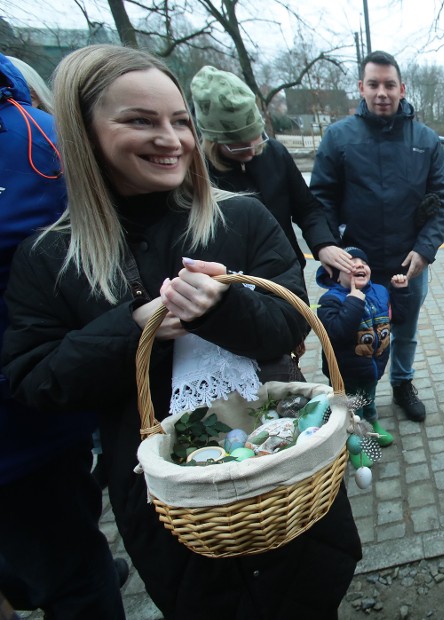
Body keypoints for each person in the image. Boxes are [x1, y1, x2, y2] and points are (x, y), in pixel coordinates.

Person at [1, 44, 361, 618]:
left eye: (179, 121)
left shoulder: (241, 218)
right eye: (140, 121)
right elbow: (34, 380)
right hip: (172, 513)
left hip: (285, 484)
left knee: (310, 595)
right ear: (84, 132)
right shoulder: (51, 259)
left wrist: (223, 307)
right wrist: (133, 329)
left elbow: (288, 324)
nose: (170, 139)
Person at [0, 51, 128, 618]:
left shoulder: (33, 133)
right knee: (71, 574)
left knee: (66, 561)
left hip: (41, 430)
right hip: (33, 424)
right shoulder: (42, 145)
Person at [310, 50, 444, 423]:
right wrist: (326, 246)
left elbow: (442, 199)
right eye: (373, 84)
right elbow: (320, 198)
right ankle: (361, 404)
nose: (382, 92)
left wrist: (425, 250)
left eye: (390, 85)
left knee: (404, 331)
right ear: (361, 87)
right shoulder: (339, 137)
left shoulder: (425, 140)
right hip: (357, 265)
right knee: (356, 337)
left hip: (409, 264)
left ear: (402, 89)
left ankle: (403, 384)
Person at [189, 65, 347, 282]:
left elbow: (307, 208)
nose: (252, 150)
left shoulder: (275, 153)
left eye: (256, 138)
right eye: (239, 145)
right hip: (240, 284)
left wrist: (324, 244)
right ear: (213, 141)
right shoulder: (198, 173)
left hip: (289, 275)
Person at [316, 246, 411, 463]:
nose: (359, 265)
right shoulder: (329, 300)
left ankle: (372, 424)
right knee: (349, 408)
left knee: (369, 398)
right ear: (334, 273)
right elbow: (338, 334)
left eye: (363, 263)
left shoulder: (380, 291)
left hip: (373, 366)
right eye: (350, 263)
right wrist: (354, 299)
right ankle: (355, 444)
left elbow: (399, 319)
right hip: (345, 371)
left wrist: (400, 292)